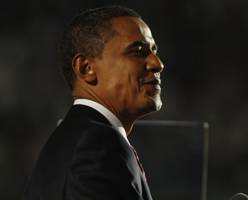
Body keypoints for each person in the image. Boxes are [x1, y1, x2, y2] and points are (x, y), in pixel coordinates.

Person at [23, 5, 164, 200]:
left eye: (154, 50)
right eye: (138, 51)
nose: (157, 63)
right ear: (86, 68)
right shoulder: (96, 144)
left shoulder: (75, 139)